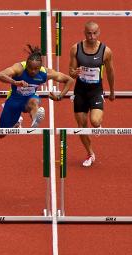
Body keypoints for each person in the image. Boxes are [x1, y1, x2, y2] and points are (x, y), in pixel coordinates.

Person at [0, 45, 73, 138]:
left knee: (34, 102)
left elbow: (69, 80)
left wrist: (60, 97)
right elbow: (0, 75)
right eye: (30, 68)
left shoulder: (45, 73)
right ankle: (16, 122)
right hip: (14, 100)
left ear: (40, 67)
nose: (32, 71)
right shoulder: (19, 68)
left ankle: (35, 117)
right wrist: (15, 82)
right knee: (1, 134)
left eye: (36, 69)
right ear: (26, 64)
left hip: (29, 99)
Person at [69, 21, 115, 167]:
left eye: (94, 33)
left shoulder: (105, 51)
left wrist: (112, 91)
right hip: (80, 90)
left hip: (96, 90)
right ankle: (90, 153)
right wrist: (74, 73)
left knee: (95, 122)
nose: (91, 36)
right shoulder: (76, 48)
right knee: (82, 125)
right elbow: (71, 70)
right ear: (84, 33)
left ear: (99, 32)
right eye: (89, 33)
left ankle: (97, 124)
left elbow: (110, 71)